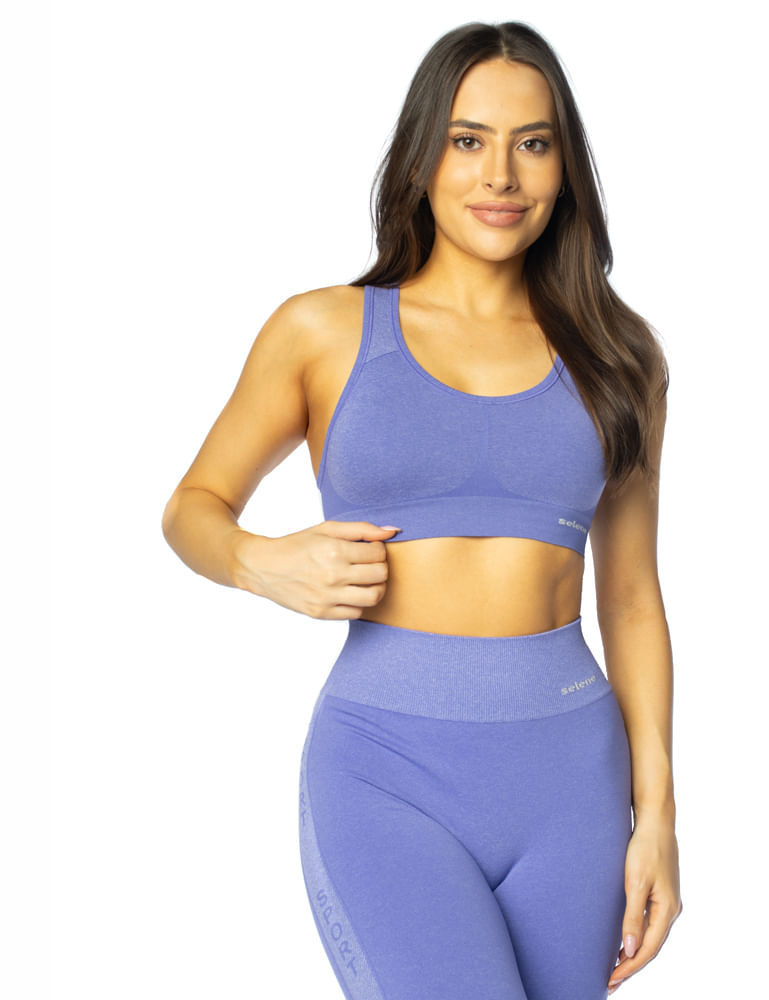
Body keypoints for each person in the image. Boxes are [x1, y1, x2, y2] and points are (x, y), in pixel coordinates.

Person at [162, 20, 680, 1000]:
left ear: (564, 166)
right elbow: (193, 506)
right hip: (386, 773)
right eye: (467, 139)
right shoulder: (322, 329)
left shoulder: (620, 355)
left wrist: (655, 816)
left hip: (573, 782)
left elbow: (631, 598)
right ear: (420, 157)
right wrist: (258, 559)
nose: (501, 175)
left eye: (533, 143)